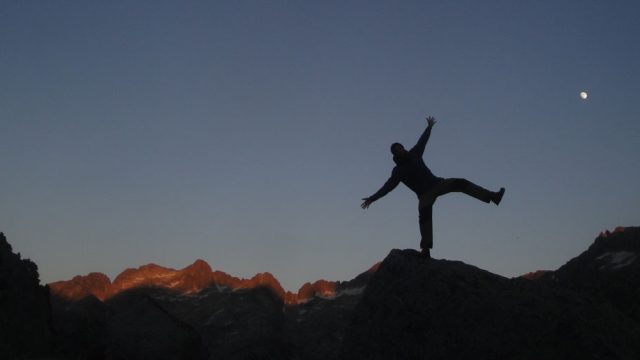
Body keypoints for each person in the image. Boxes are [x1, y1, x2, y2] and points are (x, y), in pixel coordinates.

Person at [361, 116, 505, 258]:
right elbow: (388, 187)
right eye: (396, 149)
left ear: (403, 148)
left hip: (437, 184)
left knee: (461, 183)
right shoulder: (398, 171)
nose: (400, 149)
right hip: (424, 195)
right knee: (424, 220)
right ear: (394, 154)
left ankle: (492, 196)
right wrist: (373, 198)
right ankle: (425, 250)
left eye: (400, 147)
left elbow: (422, 141)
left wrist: (429, 127)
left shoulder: (414, 154)